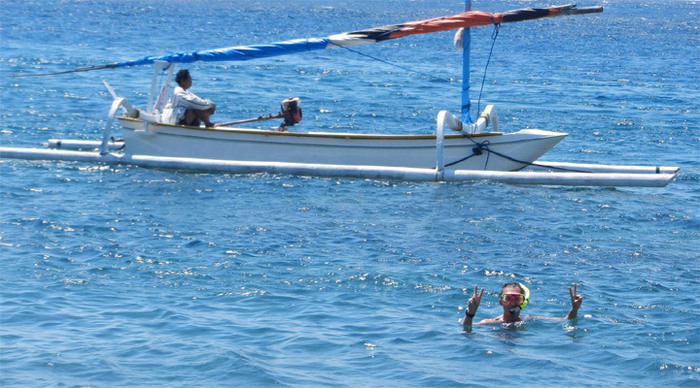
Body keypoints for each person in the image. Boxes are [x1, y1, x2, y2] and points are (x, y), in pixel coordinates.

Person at [462, 282, 582, 326]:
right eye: (508, 298)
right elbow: (466, 329)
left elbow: (564, 320)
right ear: (501, 302)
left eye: (517, 299)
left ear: (523, 302)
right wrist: (470, 314)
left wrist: (574, 309)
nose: (512, 303)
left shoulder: (528, 320)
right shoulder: (491, 323)